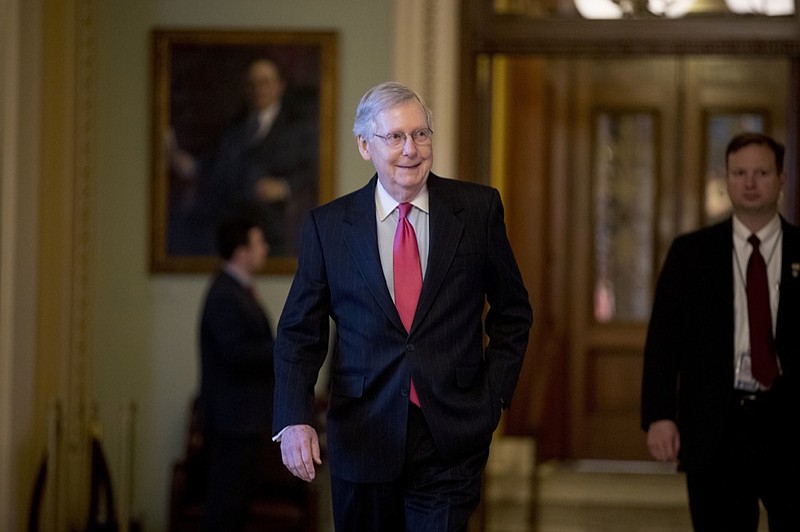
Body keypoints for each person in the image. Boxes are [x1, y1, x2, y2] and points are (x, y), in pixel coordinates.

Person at [272, 81, 533, 532]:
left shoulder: (477, 210)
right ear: (364, 145)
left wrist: (492, 397)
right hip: (362, 435)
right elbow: (300, 332)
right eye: (395, 137)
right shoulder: (329, 226)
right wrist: (294, 418)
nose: (411, 149)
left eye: (421, 134)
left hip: (451, 435)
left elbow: (513, 313)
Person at [641, 132, 800, 531]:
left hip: (792, 426)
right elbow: (663, 341)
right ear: (726, 179)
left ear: (782, 178)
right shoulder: (691, 253)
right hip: (716, 425)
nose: (749, 183)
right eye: (739, 172)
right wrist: (660, 415)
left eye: (761, 172)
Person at [170, 57, 318, 256]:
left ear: (279, 86)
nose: (258, 89)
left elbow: (312, 171)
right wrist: (182, 161)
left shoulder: (297, 128)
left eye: (265, 82)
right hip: (232, 225)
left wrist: (284, 187)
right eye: (252, 83)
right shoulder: (235, 128)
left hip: (275, 224)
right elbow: (211, 165)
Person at [197, 214, 275, 531]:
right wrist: (281, 347)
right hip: (233, 422)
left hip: (242, 420)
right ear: (241, 252)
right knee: (224, 511)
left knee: (236, 509)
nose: (265, 248)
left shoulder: (237, 291)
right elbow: (235, 354)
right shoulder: (225, 294)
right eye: (259, 243)